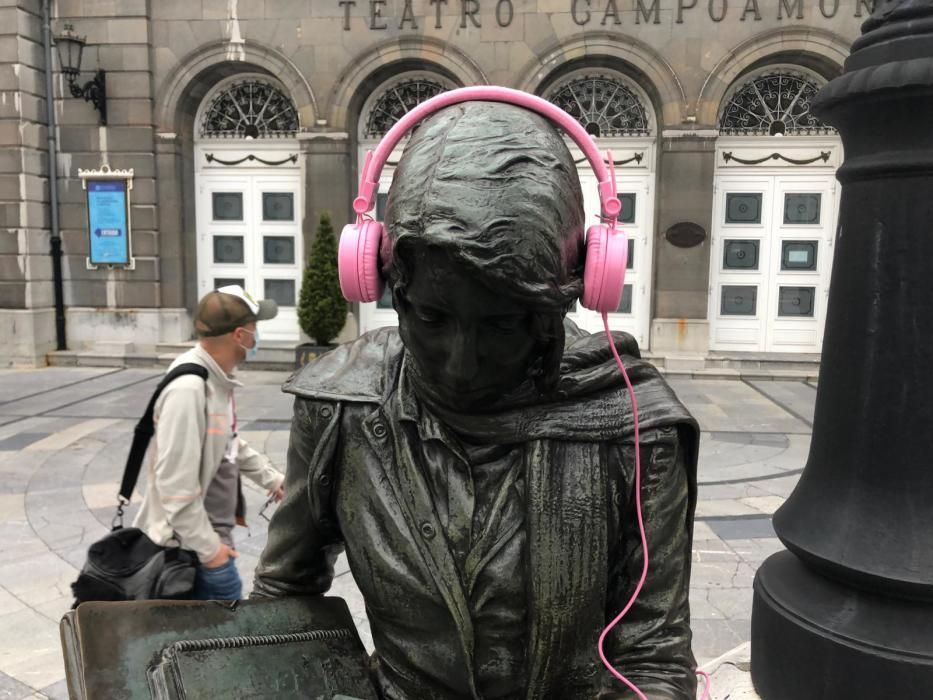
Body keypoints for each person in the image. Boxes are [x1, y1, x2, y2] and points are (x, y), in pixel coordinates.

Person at [253, 102, 698, 698]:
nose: (460, 363)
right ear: (389, 287)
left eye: (501, 325)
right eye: (433, 317)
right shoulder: (341, 406)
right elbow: (283, 599)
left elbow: (653, 658)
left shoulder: (634, 429)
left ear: (559, 305)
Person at [134, 285, 286, 601]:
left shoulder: (214, 379)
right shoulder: (190, 390)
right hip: (191, 550)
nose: (257, 337)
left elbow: (228, 443)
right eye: (255, 329)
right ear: (240, 336)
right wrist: (211, 551)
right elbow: (175, 486)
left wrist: (272, 480)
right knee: (218, 640)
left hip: (208, 540)